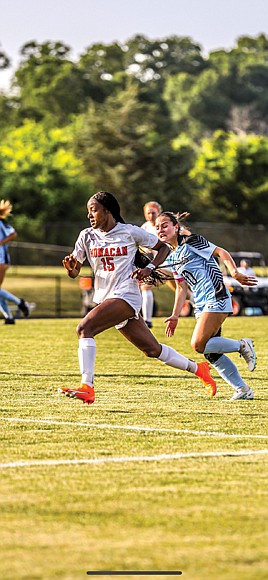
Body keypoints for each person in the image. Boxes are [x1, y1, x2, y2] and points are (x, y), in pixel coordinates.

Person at [60, 191, 217, 404]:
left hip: (126, 296)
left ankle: (87, 386)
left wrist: (149, 268)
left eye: (93, 210)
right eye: (88, 211)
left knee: (84, 329)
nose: (89, 215)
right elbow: (75, 271)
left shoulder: (129, 232)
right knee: (152, 350)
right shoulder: (86, 235)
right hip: (106, 298)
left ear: (107, 211)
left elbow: (162, 248)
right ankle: (199, 369)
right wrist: (71, 269)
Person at [155, 211, 257, 401]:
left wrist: (234, 273)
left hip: (216, 295)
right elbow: (181, 286)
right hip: (200, 305)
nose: (160, 229)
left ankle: (242, 345)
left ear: (176, 227)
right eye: (157, 227)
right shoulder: (171, 255)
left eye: (164, 225)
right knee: (211, 353)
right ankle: (242, 390)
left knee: (198, 345)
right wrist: (175, 315)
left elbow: (221, 252)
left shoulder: (191, 241)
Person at [0, 199, 29, 324]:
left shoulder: (1, 222)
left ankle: (19, 303)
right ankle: (9, 317)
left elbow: (13, 234)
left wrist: (1, 243)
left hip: (1, 259)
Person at [140, 201, 162, 328]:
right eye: (148, 213)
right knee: (180, 290)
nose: (151, 215)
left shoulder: (162, 225)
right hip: (156, 265)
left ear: (158, 212)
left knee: (146, 287)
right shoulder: (145, 227)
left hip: (168, 263)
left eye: (153, 212)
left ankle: (147, 321)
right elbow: (141, 244)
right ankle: (198, 306)